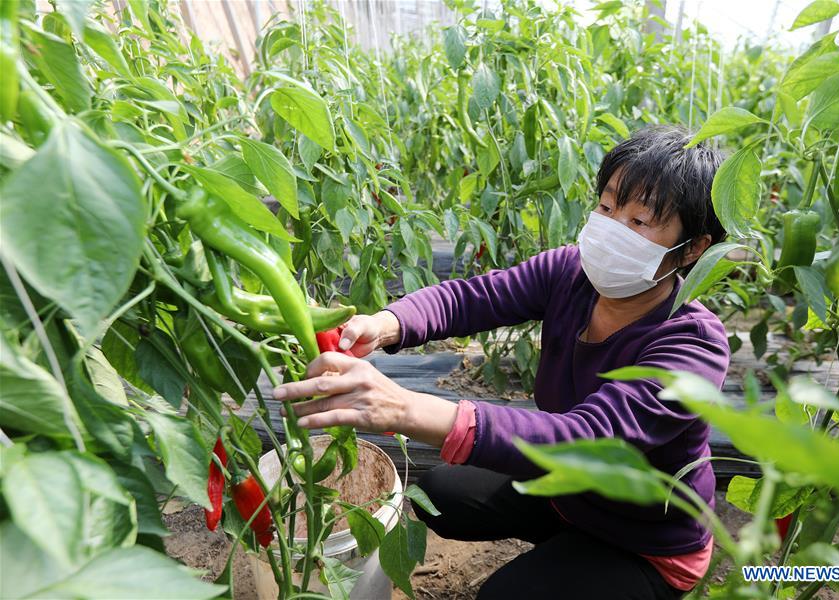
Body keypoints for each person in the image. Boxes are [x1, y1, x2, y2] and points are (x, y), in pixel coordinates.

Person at [274, 126, 730, 599]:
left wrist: (406, 408)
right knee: (444, 498)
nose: (613, 228)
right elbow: (473, 298)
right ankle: (569, 554)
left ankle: (608, 577)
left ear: (692, 248)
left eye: (639, 222)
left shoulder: (692, 342)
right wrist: (388, 322)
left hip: (646, 542)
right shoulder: (569, 274)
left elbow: (588, 439)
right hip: (567, 498)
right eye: (608, 207)